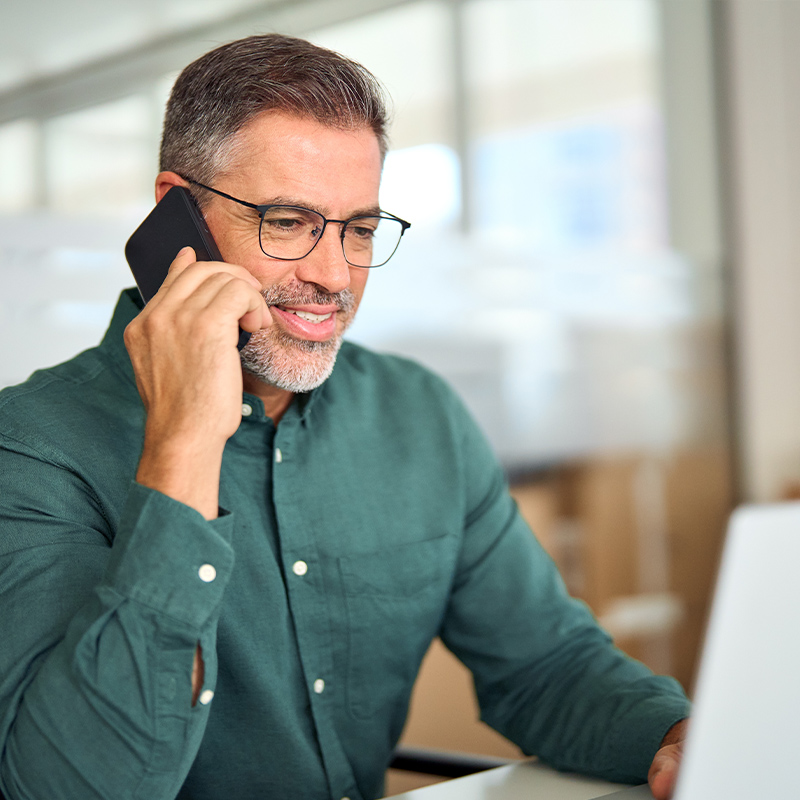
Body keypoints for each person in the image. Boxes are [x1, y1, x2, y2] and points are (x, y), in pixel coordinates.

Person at [0, 34, 689, 800]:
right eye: (288, 222)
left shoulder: (419, 415)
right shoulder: (31, 447)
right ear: (177, 215)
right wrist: (185, 440)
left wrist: (672, 737)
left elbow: (545, 664)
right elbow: (68, 786)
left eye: (359, 229)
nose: (333, 276)